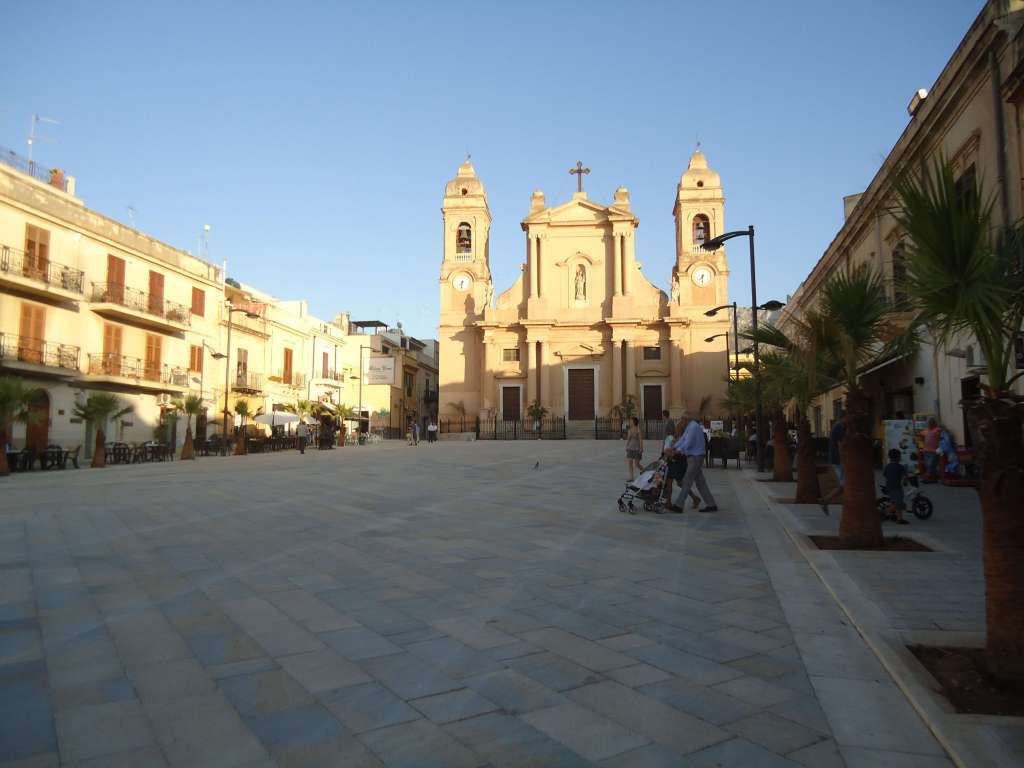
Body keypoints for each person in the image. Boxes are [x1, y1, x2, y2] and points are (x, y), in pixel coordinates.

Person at [668, 411, 718, 513]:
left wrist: (677, 450)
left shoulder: (693, 427)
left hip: (695, 457)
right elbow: (683, 439)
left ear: (686, 419)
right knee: (700, 483)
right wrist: (674, 447)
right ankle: (711, 504)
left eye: (682, 419)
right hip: (694, 457)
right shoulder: (690, 427)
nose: (681, 422)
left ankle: (679, 505)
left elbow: (688, 443)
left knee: (687, 481)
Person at [663, 419, 700, 513]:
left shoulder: (684, 438)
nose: (676, 429)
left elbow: (682, 451)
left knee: (680, 483)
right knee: (669, 482)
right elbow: (667, 449)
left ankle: (694, 498)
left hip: (679, 462)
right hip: (671, 462)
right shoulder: (672, 437)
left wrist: (671, 452)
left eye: (678, 428)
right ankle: (668, 502)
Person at [820, 417, 845, 515]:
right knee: (846, 484)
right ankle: (826, 500)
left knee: (844, 485)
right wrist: (843, 461)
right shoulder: (839, 427)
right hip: (838, 461)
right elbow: (840, 445)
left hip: (836, 460)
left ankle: (826, 500)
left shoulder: (837, 426)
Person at [883, 448, 909, 524]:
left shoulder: (887, 466)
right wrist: (905, 482)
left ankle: (892, 514)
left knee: (894, 502)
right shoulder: (900, 467)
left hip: (889, 487)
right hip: (897, 488)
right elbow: (905, 477)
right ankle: (894, 516)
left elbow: (885, 474)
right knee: (898, 503)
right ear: (898, 457)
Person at [625, 417, 643, 481]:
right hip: (630, 448)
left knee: (637, 464)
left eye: (631, 421)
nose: (630, 422)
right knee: (630, 462)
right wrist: (627, 446)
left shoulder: (638, 430)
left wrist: (641, 448)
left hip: (637, 448)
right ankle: (631, 477)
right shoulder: (629, 430)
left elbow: (640, 439)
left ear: (634, 422)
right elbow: (628, 439)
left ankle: (645, 471)